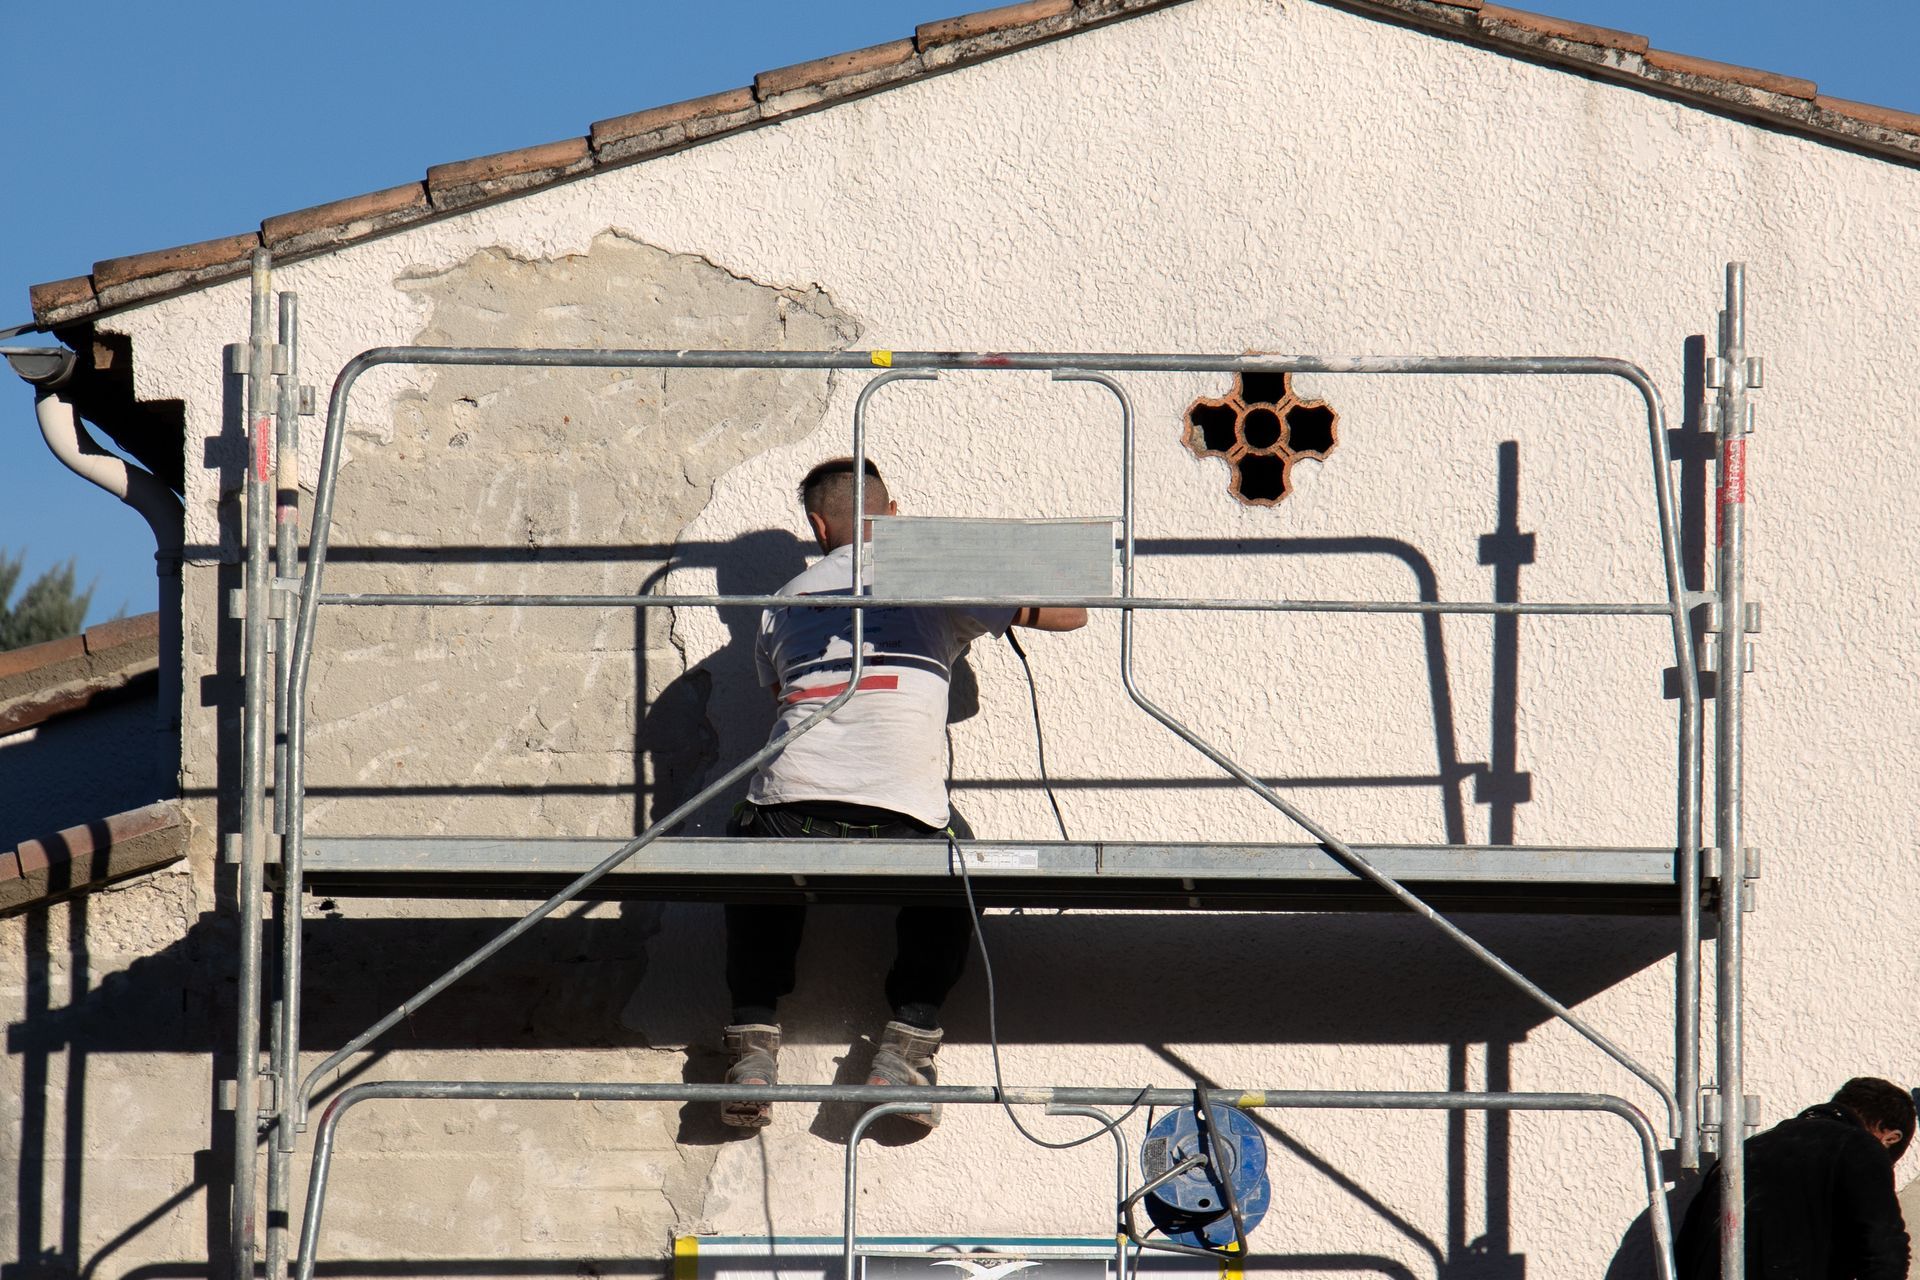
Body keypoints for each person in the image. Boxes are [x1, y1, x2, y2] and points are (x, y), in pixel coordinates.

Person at [718, 457, 1086, 1130]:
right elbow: (1072, 613)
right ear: (892, 514)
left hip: (789, 811)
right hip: (902, 818)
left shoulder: (780, 602)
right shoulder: (930, 572)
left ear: (818, 525)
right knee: (960, 860)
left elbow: (783, 701)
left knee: (748, 848)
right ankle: (906, 1049)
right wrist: (960, 564)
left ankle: (752, 1047)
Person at [1676, 1077, 1913, 1279]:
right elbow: (1885, 1250)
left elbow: (1686, 1250)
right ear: (1890, 1137)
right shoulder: (1859, 1146)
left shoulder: (1746, 1150)